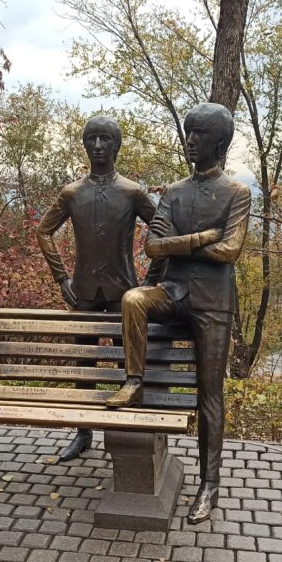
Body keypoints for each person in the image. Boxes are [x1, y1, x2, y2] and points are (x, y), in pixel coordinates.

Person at [106, 103, 251, 525]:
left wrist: (184, 243)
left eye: (199, 134)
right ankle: (134, 382)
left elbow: (231, 251)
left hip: (213, 303)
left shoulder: (236, 193)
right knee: (134, 299)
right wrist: (203, 238)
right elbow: (152, 246)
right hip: (173, 291)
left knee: (210, 394)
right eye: (188, 132)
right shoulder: (174, 191)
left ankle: (210, 484)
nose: (190, 140)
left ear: (218, 141)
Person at [36, 115, 165, 461]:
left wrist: (150, 281)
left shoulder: (132, 191)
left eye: (104, 139)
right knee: (84, 364)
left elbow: (164, 235)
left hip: (125, 294)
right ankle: (83, 432)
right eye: (91, 139)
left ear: (116, 145)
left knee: (132, 364)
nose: (97, 146)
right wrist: (61, 277)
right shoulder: (72, 192)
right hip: (83, 292)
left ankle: (133, 432)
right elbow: (43, 231)